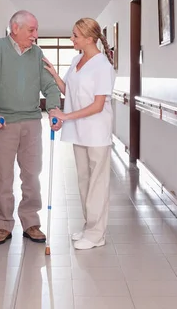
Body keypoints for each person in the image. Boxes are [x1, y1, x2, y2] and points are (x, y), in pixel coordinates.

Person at [0, 10, 62, 245]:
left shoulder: (36, 54)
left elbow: (50, 85)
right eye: (31, 30)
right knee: (3, 176)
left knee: (32, 175)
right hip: (4, 122)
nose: (35, 35)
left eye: (36, 30)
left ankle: (31, 221)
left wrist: (54, 108)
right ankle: (3, 224)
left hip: (32, 122)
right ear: (15, 28)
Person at [43, 17, 116, 250]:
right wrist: (55, 75)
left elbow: (98, 105)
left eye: (75, 35)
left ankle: (97, 234)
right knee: (84, 181)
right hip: (79, 132)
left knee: (97, 184)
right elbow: (69, 91)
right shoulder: (77, 60)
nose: (72, 39)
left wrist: (65, 116)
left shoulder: (102, 66)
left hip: (96, 132)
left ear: (89, 38)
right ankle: (89, 227)